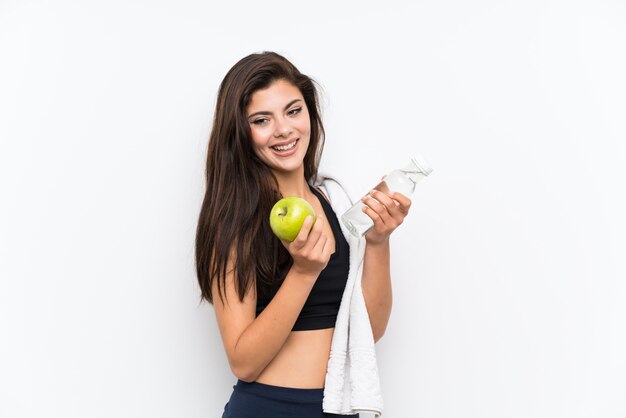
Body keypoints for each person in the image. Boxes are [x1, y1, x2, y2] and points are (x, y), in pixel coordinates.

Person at [195, 51, 412, 418]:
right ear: (241, 133)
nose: (284, 129)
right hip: (269, 408)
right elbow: (243, 362)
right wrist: (303, 272)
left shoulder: (335, 204)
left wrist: (377, 241)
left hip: (340, 409)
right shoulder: (237, 222)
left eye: (293, 111)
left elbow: (368, 333)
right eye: (262, 119)